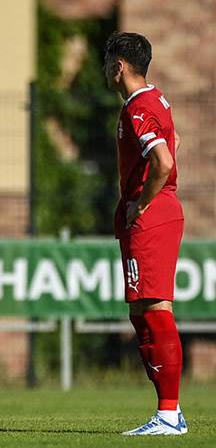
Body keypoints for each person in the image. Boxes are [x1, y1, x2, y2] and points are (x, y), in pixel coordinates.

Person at [104, 32, 186, 436]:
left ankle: (169, 415)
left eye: (107, 62)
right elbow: (175, 143)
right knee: (141, 311)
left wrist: (142, 204)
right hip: (153, 212)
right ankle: (170, 412)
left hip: (152, 214)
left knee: (155, 309)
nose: (105, 70)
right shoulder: (157, 99)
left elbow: (164, 161)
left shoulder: (138, 108)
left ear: (118, 66)